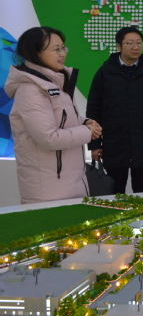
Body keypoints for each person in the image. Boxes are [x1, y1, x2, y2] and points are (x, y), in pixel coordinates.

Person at [5, 27, 102, 204]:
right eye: (56, 49)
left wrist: (86, 123)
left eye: (63, 48)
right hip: (48, 190)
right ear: (36, 53)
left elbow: (61, 120)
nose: (62, 54)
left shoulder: (55, 83)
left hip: (70, 184)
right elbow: (48, 138)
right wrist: (87, 132)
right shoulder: (30, 90)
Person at [86, 26, 143, 194]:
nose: (135, 47)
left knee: (142, 189)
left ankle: (141, 213)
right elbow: (93, 110)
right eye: (130, 43)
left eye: (139, 43)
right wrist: (95, 145)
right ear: (119, 46)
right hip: (115, 143)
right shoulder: (105, 72)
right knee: (114, 191)